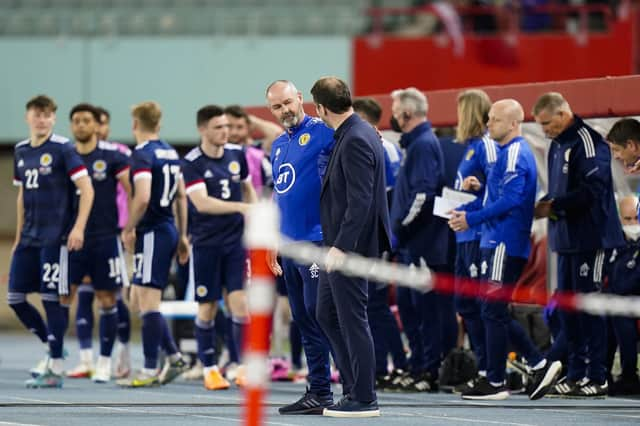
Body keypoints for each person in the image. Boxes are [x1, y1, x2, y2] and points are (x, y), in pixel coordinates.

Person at [449, 99, 561, 400]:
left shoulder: (514, 153)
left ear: (513, 123)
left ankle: (500, 378)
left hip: (504, 242)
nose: (488, 124)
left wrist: (470, 218)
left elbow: (511, 201)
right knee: (491, 308)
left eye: (495, 120)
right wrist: (477, 191)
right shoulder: (502, 153)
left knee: (492, 308)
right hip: (495, 239)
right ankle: (533, 365)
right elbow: (498, 196)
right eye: (489, 119)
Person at [532, 92, 625, 398]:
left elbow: (594, 190)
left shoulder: (588, 141)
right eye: (541, 126)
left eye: (547, 124)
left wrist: (555, 204)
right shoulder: (557, 144)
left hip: (592, 239)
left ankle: (597, 376)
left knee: (590, 306)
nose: (544, 130)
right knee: (568, 309)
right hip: (566, 240)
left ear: (563, 114)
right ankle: (575, 373)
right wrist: (550, 205)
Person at [312, 76, 390, 417]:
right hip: (342, 243)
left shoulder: (356, 138)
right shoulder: (356, 132)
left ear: (320, 108)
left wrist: (341, 247)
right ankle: (353, 386)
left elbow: (360, 200)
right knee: (326, 313)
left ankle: (364, 396)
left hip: (351, 246)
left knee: (352, 318)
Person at [8, 94, 94, 388]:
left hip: (55, 237)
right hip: (29, 237)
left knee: (51, 297)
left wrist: (78, 228)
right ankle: (53, 344)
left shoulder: (63, 148)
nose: (41, 119)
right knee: (15, 298)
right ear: (27, 117)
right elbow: (22, 196)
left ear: (53, 119)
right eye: (37, 114)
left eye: (47, 115)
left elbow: (87, 188)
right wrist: (19, 235)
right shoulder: (20, 150)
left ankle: (55, 366)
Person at [265, 80, 335, 414]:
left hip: (317, 242)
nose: (284, 111)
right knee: (304, 319)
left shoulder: (324, 131)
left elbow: (361, 146)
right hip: (289, 245)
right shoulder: (277, 145)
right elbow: (279, 192)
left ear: (300, 99)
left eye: (287, 103)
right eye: (276, 107)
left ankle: (353, 388)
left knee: (321, 316)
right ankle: (319, 392)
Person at [181, 105, 256, 391]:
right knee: (208, 307)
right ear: (202, 129)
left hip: (235, 242)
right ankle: (210, 368)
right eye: (218, 127)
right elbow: (201, 202)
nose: (225, 132)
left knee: (240, 304)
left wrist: (253, 209)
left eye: (226, 126)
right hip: (206, 244)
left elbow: (247, 187)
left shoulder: (237, 155)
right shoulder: (192, 163)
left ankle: (243, 366)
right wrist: (241, 207)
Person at [117, 101, 189, 387]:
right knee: (136, 298)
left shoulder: (142, 155)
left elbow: (143, 197)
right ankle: (173, 357)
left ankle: (149, 368)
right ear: (158, 125)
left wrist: (129, 227)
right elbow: (181, 196)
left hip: (152, 232)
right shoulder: (170, 151)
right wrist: (182, 234)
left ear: (135, 124)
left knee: (147, 304)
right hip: (168, 229)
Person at [388, 87, 456, 392]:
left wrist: (401, 228)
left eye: (395, 109)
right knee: (409, 308)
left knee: (425, 311)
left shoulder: (424, 145)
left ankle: (429, 371)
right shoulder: (413, 146)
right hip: (410, 245)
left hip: (422, 245)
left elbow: (423, 195)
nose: (392, 114)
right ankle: (418, 366)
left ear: (407, 113)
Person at [65, 103, 132, 383]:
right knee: (63, 296)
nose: (81, 125)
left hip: (105, 237)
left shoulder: (113, 156)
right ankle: (65, 357)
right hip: (71, 239)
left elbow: (132, 192)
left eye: (87, 121)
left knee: (108, 298)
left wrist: (130, 228)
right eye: (76, 121)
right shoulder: (64, 155)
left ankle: (105, 361)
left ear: (97, 125)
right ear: (71, 125)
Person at [353, 97, 408, 389]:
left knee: (375, 303)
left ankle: (394, 363)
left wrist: (384, 239)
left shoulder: (380, 147)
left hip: (376, 238)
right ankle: (387, 364)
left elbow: (386, 198)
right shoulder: (383, 145)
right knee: (373, 304)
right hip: (377, 236)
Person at [606, 195, 640, 395]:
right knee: (603, 313)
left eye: (636, 218)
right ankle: (601, 372)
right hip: (619, 300)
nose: (633, 224)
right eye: (628, 219)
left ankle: (629, 374)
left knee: (620, 314)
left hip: (632, 301)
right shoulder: (614, 245)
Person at [224, 105, 282, 197]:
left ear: (248, 128)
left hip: (262, 204)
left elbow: (277, 134)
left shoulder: (258, 149)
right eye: (229, 126)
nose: (234, 132)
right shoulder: (218, 153)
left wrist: (251, 119)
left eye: (240, 127)